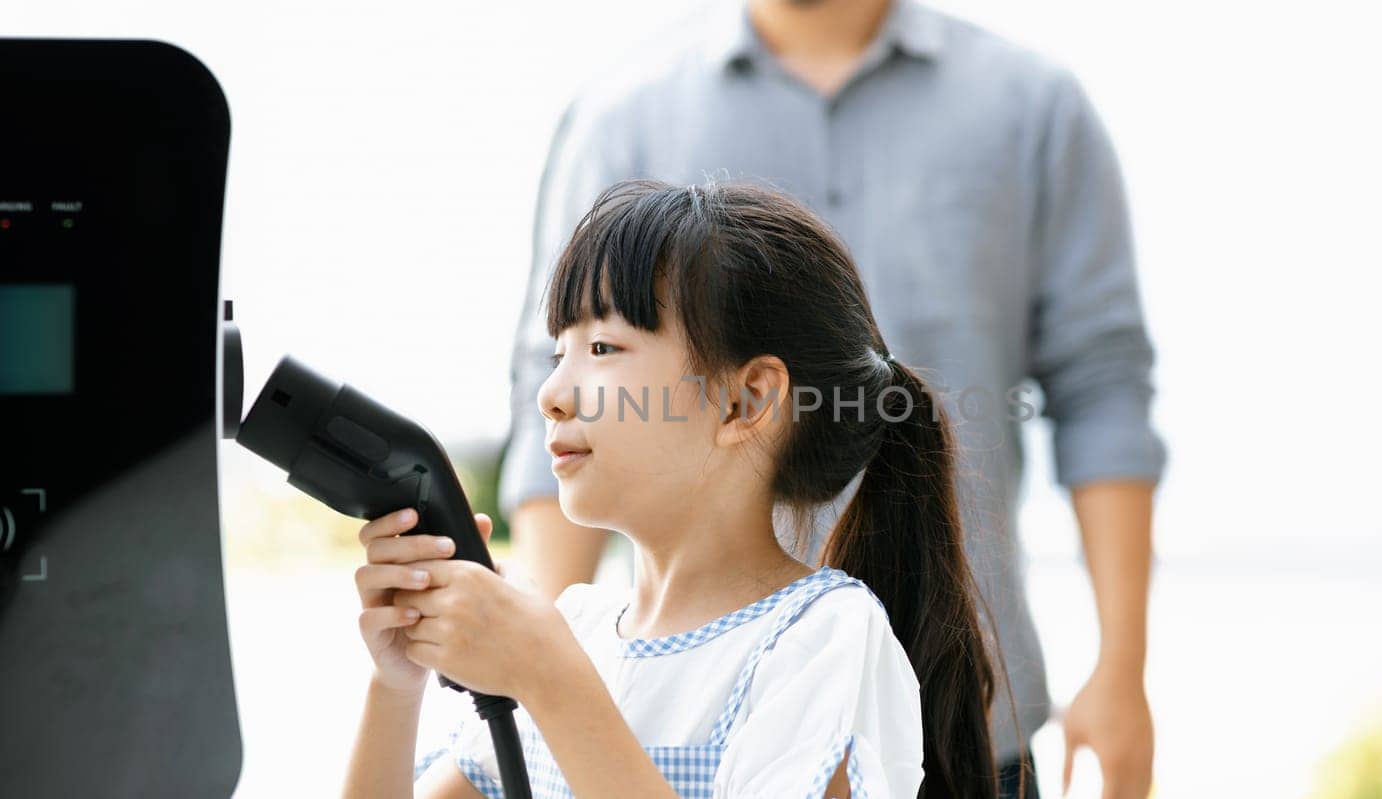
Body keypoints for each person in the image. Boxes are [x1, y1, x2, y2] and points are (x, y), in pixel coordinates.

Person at [499, 1, 1168, 796]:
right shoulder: (623, 110)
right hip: (641, 721)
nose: (559, 390)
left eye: (605, 346)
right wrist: (531, 660)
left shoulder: (1030, 106)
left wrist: (1121, 668)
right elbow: (553, 402)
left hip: (973, 704)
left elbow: (1102, 387)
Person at [344, 179, 1001, 797]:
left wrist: (549, 677)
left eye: (602, 348)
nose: (551, 394)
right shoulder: (577, 630)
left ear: (745, 400)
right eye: (557, 354)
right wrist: (395, 685)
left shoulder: (818, 638)